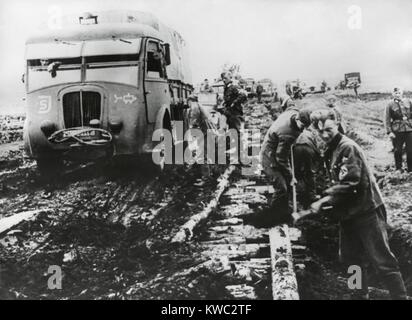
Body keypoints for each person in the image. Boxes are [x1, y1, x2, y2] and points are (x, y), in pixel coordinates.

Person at [309, 109, 407, 300]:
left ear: (337, 123)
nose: (325, 134)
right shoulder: (331, 149)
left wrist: (325, 199)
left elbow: (350, 182)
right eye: (320, 131)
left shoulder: (347, 147)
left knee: (382, 260)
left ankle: (400, 297)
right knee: (351, 259)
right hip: (348, 213)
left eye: (328, 129)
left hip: (367, 210)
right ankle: (359, 294)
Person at [251, 107, 312, 226]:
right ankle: (273, 216)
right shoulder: (288, 133)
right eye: (302, 126)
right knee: (281, 187)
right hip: (269, 158)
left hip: (276, 150)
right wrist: (291, 175)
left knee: (287, 185)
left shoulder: (292, 113)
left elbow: (291, 107)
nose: (303, 129)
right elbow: (281, 158)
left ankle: (285, 210)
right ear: (298, 119)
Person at [293, 120, 324, 209]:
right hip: (309, 149)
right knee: (310, 172)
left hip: (297, 148)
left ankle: (297, 193)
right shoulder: (311, 134)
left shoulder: (295, 132)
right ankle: (311, 195)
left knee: (296, 172)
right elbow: (318, 147)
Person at [384, 87, 412, 172]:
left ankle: (410, 168)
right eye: (395, 93)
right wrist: (389, 132)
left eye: (399, 93)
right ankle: (398, 168)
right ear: (393, 94)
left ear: (402, 93)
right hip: (397, 130)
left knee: (410, 150)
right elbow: (387, 118)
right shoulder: (390, 104)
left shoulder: (408, 101)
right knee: (397, 150)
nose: (397, 94)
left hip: (409, 129)